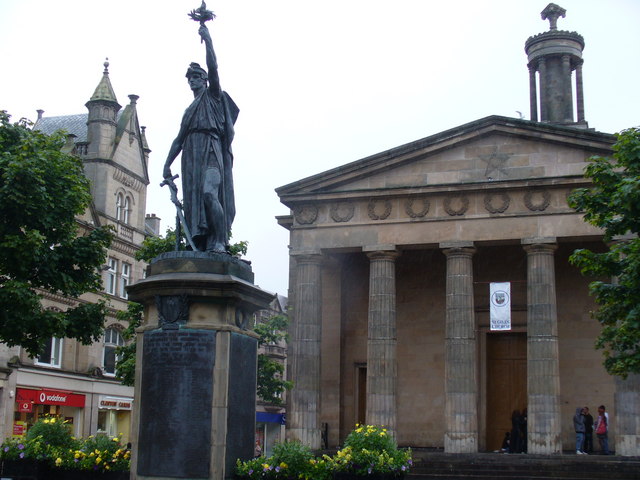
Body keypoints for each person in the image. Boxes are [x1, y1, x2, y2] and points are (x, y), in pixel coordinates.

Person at [163, 23, 239, 253]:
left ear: (205, 80)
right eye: (190, 77)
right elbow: (178, 139)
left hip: (211, 148)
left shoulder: (213, 96)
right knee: (194, 201)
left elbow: (214, 67)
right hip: (191, 154)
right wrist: (166, 164)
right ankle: (199, 241)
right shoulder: (189, 110)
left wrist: (208, 40)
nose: (192, 80)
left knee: (209, 192)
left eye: (197, 76)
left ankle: (219, 241)